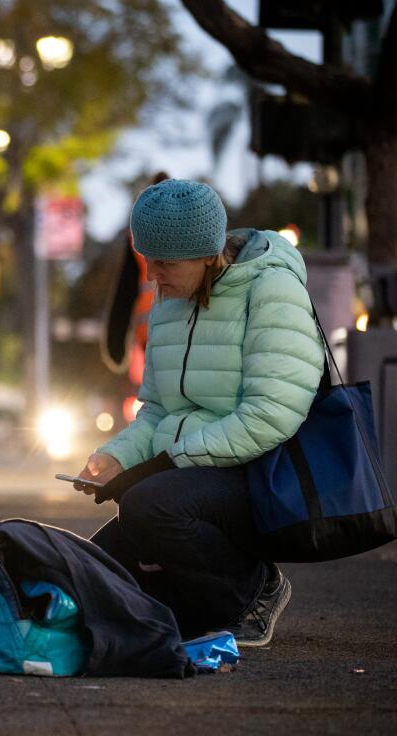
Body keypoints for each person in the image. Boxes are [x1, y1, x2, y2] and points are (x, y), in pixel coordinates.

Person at [74, 179, 325, 647]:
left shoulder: (271, 289)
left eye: (164, 262)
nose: (152, 275)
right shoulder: (170, 302)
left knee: (148, 505)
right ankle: (195, 604)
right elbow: (156, 411)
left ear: (208, 253)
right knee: (89, 572)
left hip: (260, 473)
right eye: (147, 258)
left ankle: (255, 592)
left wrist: (168, 463)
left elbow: (274, 413)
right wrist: (116, 458)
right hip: (187, 475)